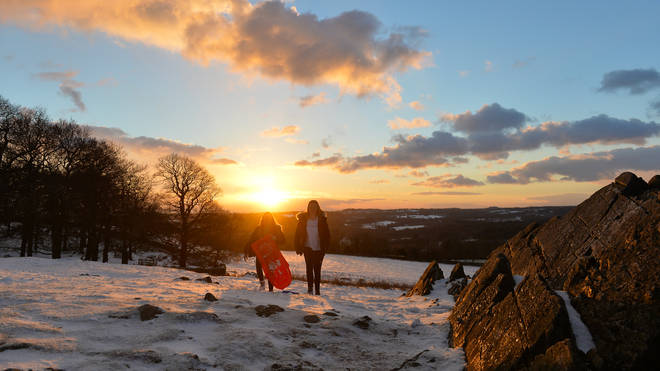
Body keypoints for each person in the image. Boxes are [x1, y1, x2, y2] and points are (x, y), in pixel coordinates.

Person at [295, 200, 330, 295]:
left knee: (317, 270)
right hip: (307, 247)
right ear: (308, 208)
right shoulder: (303, 220)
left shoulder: (322, 220)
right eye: (311, 207)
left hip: (319, 248)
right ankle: (310, 289)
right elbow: (297, 234)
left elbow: (327, 235)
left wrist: (326, 247)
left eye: (314, 206)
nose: (312, 208)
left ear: (317, 208)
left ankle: (317, 291)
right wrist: (298, 247)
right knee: (309, 269)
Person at [244, 212, 285, 291]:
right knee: (258, 267)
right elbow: (251, 240)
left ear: (272, 219)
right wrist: (247, 249)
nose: (267, 220)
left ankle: (270, 288)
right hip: (260, 252)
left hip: (271, 252)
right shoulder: (258, 229)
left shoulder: (276, 228)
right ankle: (262, 283)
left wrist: (275, 238)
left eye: (269, 218)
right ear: (263, 219)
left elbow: (283, 240)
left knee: (271, 270)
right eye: (265, 218)